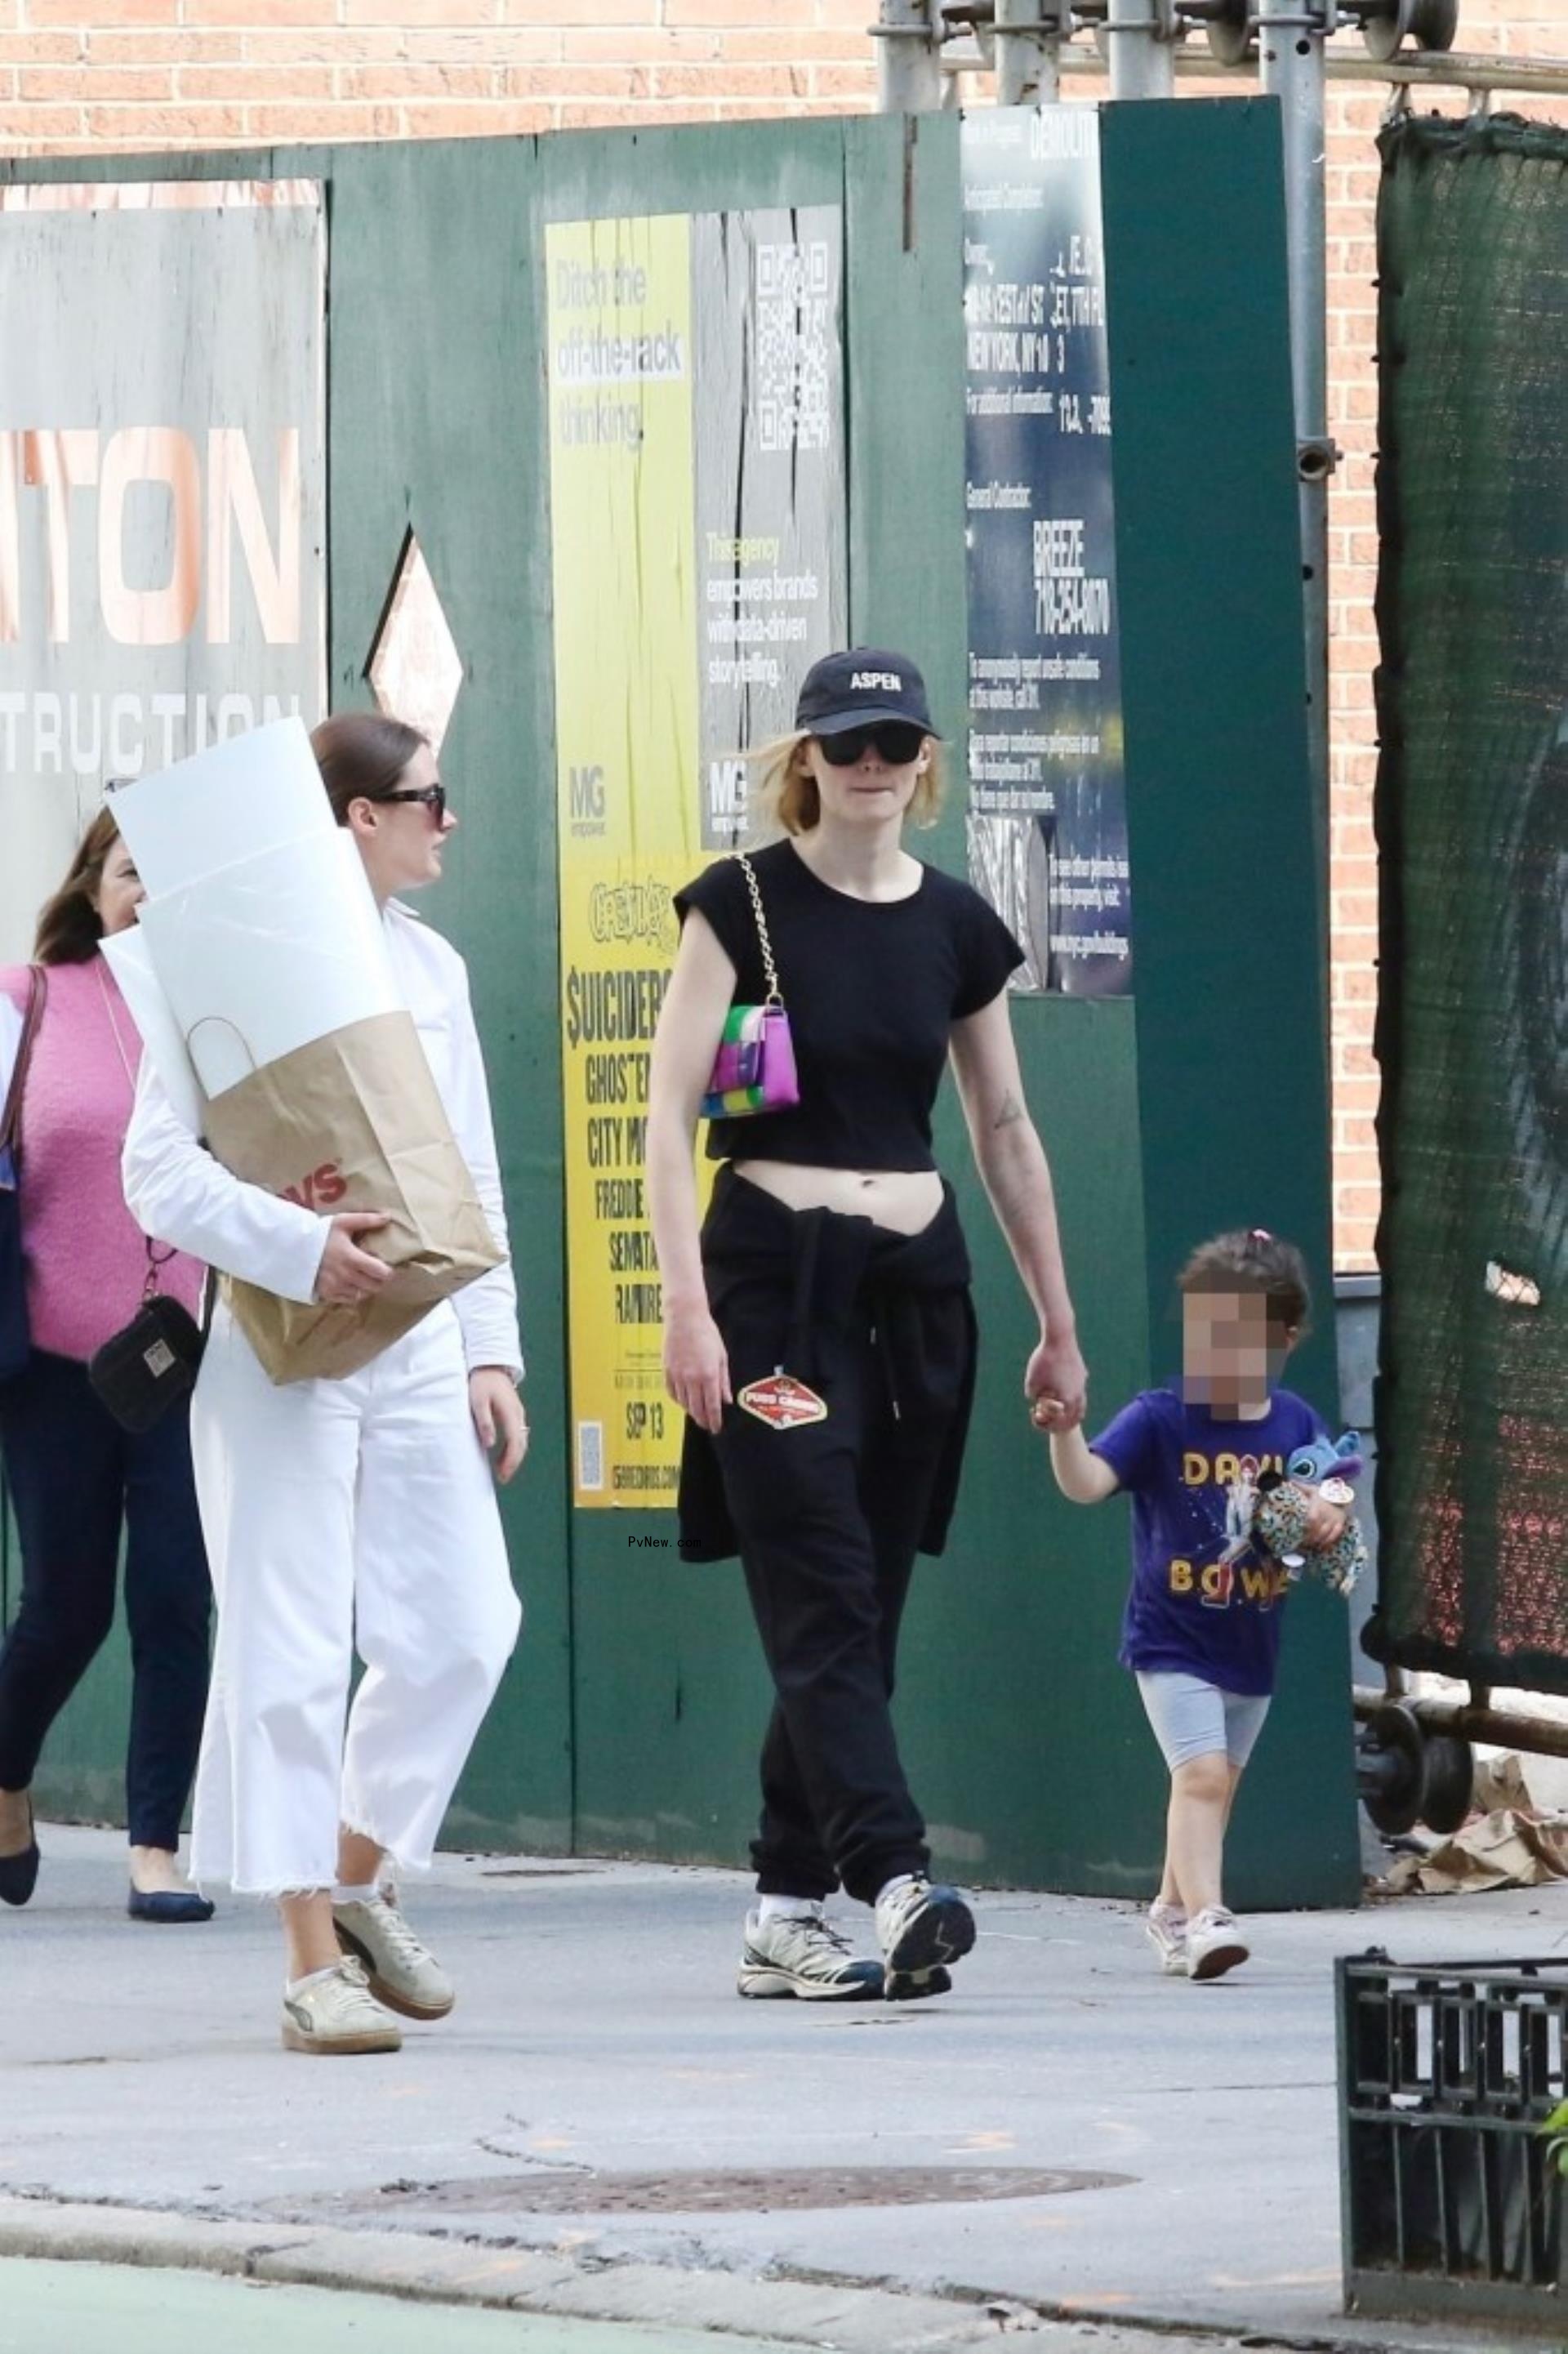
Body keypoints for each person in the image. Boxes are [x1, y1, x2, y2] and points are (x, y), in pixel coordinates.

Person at [648, 648, 1086, 2004]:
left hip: (918, 1306)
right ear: (806, 760)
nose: (873, 764)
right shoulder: (742, 905)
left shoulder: (956, 923)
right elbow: (667, 1114)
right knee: (822, 1567)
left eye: (896, 740)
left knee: (868, 1600)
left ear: (927, 759)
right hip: (777, 1310)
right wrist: (686, 1307)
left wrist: (1057, 1322)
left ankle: (786, 1903)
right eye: (847, 743)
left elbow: (1003, 1127)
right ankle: (896, 1877)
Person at [123, 712, 528, 2056]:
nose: (449, 819)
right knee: (288, 1643)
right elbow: (159, 1172)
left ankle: (355, 1878)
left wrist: (489, 1347)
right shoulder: (218, 965)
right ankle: (307, 1961)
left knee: (468, 1626)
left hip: (418, 1338)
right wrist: (300, 1245)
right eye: (430, 797)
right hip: (281, 1340)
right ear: (360, 816)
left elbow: (467, 1172)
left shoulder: (437, 967)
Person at [0, 812, 213, 1922]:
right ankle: (4, 1771)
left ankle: (156, 1847)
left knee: (178, 1595)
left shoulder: (227, 1020)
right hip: (51, 1360)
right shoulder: (25, 1002)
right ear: (91, 885)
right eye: (136, 875)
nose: (153, 899)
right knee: (65, 1609)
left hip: (189, 1358)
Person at [1041, 1227, 1343, 1982]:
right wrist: (1066, 1430)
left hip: (1252, 1642)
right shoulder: (1159, 1418)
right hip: (1170, 1640)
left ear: (1286, 1338)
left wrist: (1329, 1511)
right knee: (1201, 1777)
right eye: (1209, 1334)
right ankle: (1210, 1919)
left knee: (1217, 1790)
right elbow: (1086, 1484)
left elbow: (1334, 1485)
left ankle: (1172, 1910)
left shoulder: (1295, 1422)